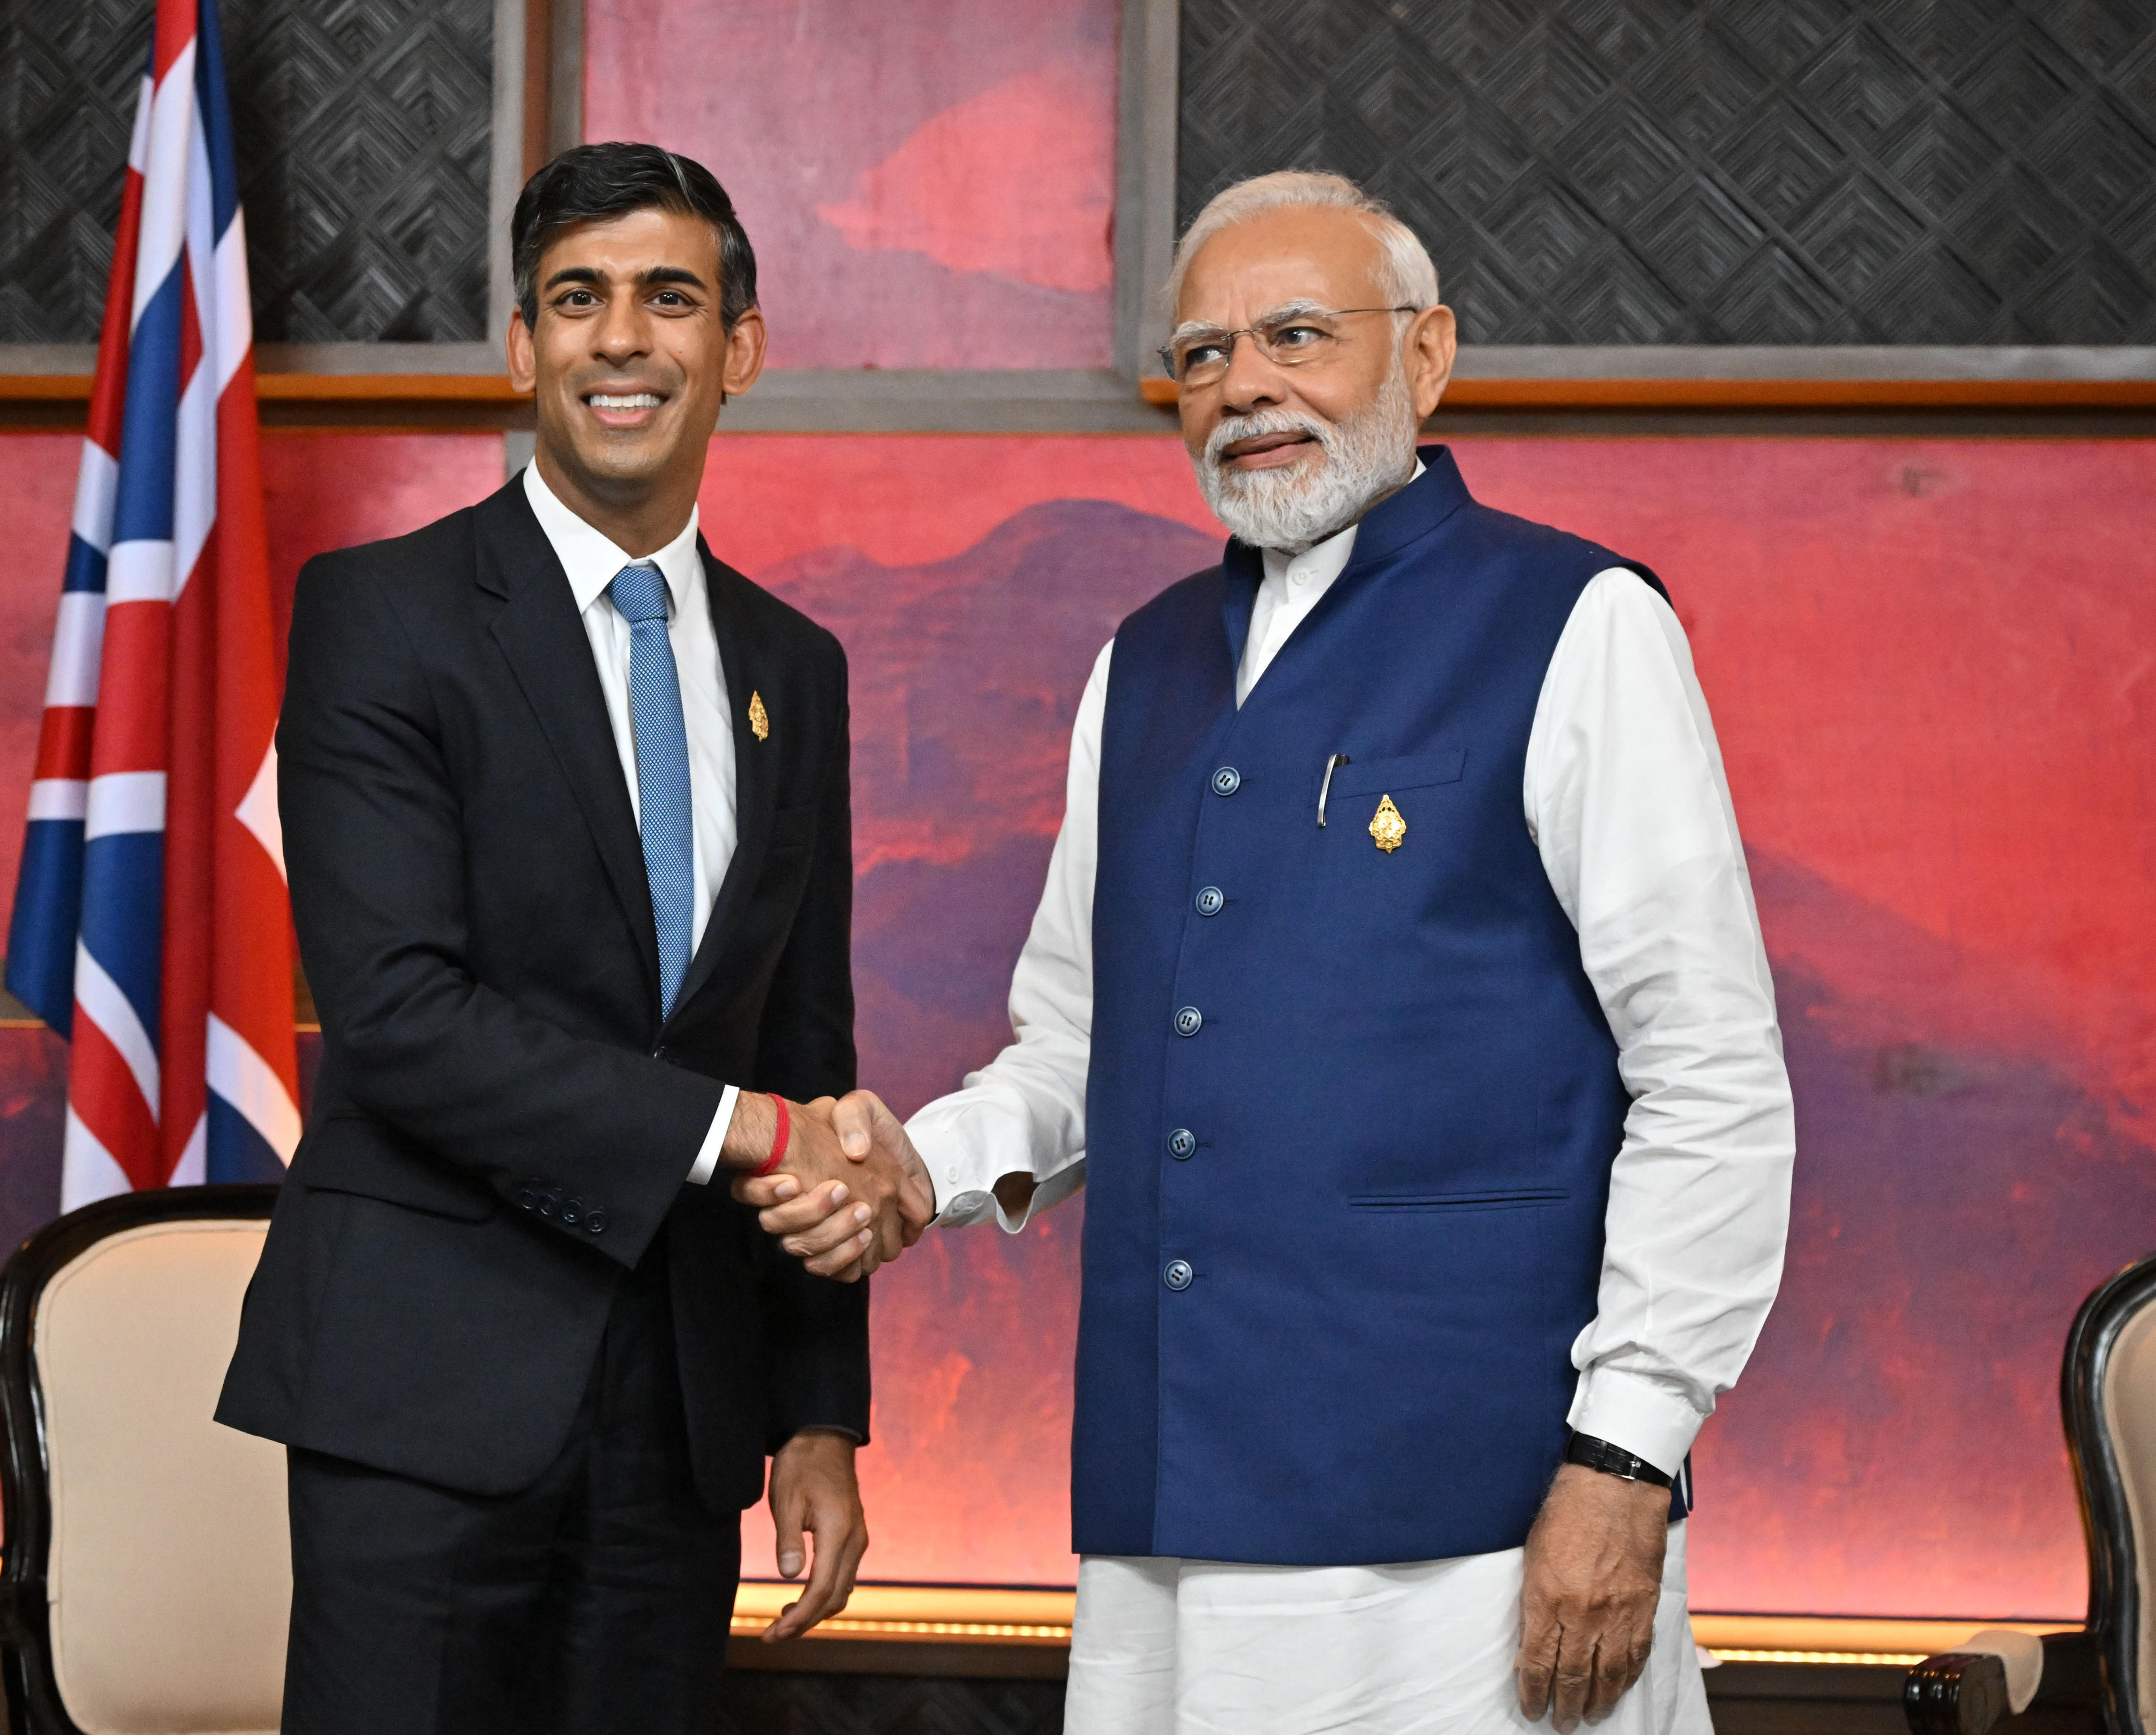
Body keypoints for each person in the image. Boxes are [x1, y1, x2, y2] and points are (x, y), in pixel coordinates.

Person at [754, 171, 1795, 1733]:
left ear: (1428, 356)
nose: (1246, 385)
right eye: (1204, 356)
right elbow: (1076, 1051)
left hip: (1477, 1515)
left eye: (1297, 335)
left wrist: (1628, 1458)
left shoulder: (1578, 624)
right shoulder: (1143, 662)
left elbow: (1711, 1073)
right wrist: (923, 1162)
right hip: (1168, 1505)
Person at [215, 143, 920, 1735]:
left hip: (679, 1414)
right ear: (523, 345)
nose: (622, 339)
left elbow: (805, 1045)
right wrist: (747, 1130)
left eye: (669, 300)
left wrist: (819, 1416)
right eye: (578, 300)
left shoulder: (793, 670)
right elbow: (399, 1019)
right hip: (421, 1397)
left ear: (736, 348)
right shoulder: (378, 616)